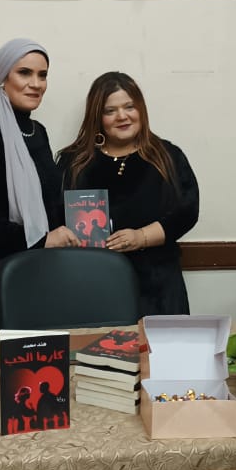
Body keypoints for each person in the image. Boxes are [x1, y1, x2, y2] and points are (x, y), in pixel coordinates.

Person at [0, 38, 80, 332]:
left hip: (43, 268)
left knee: (45, 350)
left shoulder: (38, 132)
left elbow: (49, 201)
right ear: (3, 78)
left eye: (42, 75)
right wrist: (40, 240)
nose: (36, 84)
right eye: (24, 73)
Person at [58, 72, 199, 315]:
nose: (122, 116)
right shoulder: (75, 161)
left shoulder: (167, 156)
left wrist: (141, 237)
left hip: (159, 286)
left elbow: (187, 211)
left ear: (140, 109)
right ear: (97, 117)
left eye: (129, 107)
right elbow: (56, 217)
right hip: (94, 283)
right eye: (110, 111)